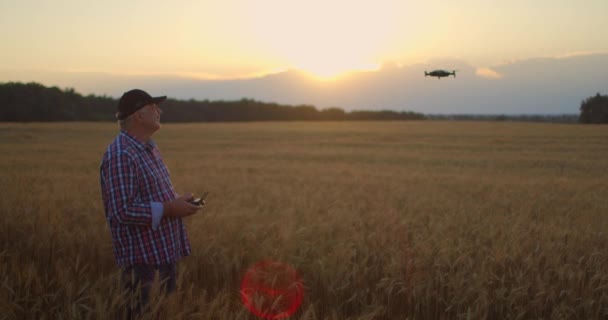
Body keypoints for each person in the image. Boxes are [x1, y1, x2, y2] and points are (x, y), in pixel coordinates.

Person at [99, 89, 202, 318]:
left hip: (163, 254)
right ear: (138, 115)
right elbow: (122, 211)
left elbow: (150, 194)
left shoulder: (148, 147)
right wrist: (169, 208)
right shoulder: (121, 154)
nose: (159, 111)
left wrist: (176, 201)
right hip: (142, 263)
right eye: (153, 107)